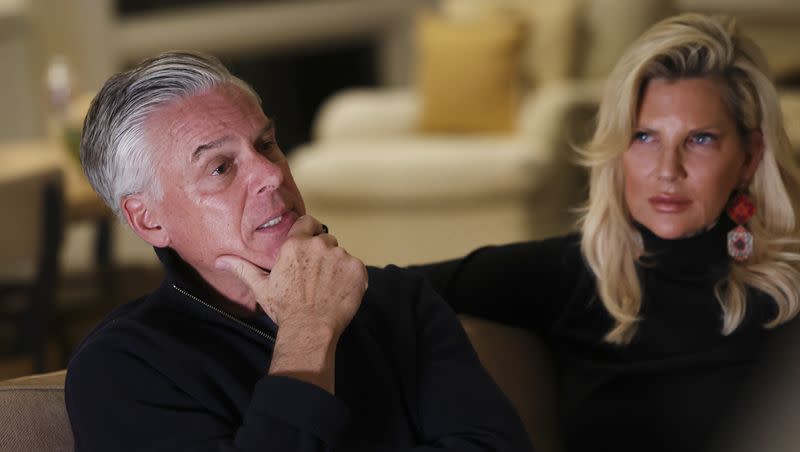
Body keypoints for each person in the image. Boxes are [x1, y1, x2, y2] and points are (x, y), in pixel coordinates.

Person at [65, 51, 534, 452]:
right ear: (149, 219)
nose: (271, 175)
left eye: (266, 144)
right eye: (221, 167)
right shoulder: (120, 368)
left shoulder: (399, 301)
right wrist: (308, 332)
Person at [414, 13, 800, 452]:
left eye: (700, 140)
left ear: (749, 158)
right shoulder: (571, 273)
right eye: (644, 137)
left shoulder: (790, 295)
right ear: (617, 152)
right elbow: (388, 291)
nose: (668, 170)